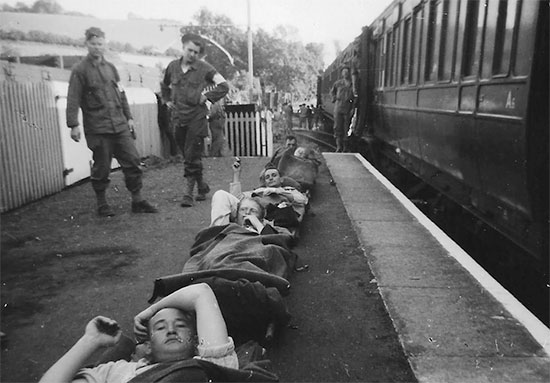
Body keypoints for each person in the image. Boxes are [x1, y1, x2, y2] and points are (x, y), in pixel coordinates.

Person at [38, 283, 238, 383]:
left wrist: (151, 311)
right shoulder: (120, 371)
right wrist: (90, 340)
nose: (170, 330)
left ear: (196, 340)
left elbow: (201, 292)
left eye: (180, 325)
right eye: (160, 327)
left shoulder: (214, 364)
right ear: (148, 345)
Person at [66, 27, 158, 217]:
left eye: (100, 44)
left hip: (120, 125)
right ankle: (102, 204)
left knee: (132, 160)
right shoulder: (80, 70)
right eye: (93, 44)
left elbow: (121, 94)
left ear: (104, 44)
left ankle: (137, 200)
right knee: (102, 167)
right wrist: (73, 124)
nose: (97, 47)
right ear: (87, 44)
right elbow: (73, 98)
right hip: (98, 128)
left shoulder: (111, 68)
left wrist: (129, 117)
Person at [161, 33, 229, 207]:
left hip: (196, 118)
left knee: (191, 154)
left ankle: (188, 193)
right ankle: (202, 186)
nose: (192, 54)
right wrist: (167, 100)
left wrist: (206, 96)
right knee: (188, 155)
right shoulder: (172, 67)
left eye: (196, 52)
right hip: (178, 118)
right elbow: (164, 84)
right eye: (189, 50)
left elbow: (224, 86)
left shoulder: (205, 68)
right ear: (182, 47)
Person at [210, 159, 308, 235]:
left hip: (265, 217)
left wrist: (277, 191)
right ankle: (218, 233)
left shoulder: (289, 190)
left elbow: (302, 200)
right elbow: (237, 199)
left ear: (281, 179)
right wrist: (236, 173)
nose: (270, 178)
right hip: (246, 211)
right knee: (220, 194)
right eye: (267, 177)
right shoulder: (259, 191)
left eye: (274, 175)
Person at [330, 66, 356, 152]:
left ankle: (345, 147)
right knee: (337, 127)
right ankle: (338, 146)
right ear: (341, 74)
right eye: (344, 72)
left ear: (349, 73)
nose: (345, 74)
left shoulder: (352, 84)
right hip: (338, 106)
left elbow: (356, 96)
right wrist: (333, 98)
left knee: (346, 128)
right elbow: (332, 91)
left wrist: (353, 108)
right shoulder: (338, 83)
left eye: (346, 72)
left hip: (348, 107)